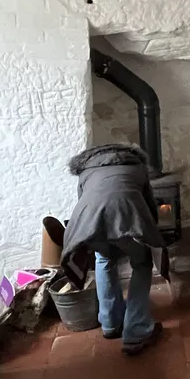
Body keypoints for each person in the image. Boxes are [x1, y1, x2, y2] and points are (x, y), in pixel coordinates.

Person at [61, 143, 165, 355]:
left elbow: (85, 201)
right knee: (142, 262)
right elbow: (148, 205)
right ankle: (137, 331)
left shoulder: (86, 173)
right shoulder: (137, 167)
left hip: (90, 224)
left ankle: (110, 322)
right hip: (127, 217)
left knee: (104, 258)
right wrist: (150, 234)